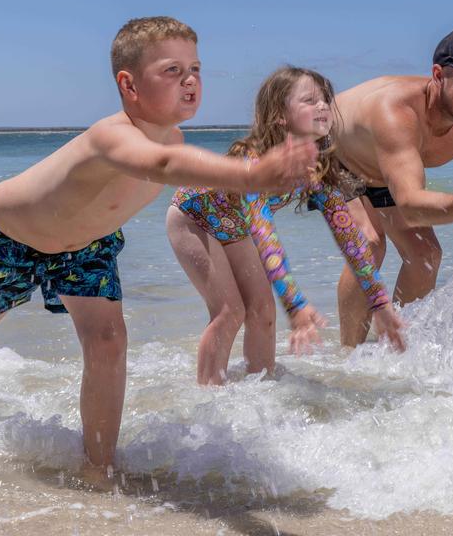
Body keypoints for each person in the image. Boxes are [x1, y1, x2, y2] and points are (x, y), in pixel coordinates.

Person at [0, 16, 317, 487]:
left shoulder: (179, 141)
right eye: (172, 70)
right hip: (9, 238)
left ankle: (98, 467)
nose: (190, 80)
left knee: (108, 340)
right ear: (129, 84)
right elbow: (160, 163)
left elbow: (182, 168)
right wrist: (249, 173)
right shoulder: (112, 135)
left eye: (196, 69)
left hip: (87, 247)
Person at [168, 66, 407, 384]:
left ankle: (262, 388)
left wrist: (379, 302)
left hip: (234, 228)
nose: (323, 105)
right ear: (280, 115)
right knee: (230, 311)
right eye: (310, 100)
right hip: (192, 219)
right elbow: (265, 236)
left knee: (264, 311)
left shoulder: (318, 166)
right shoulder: (256, 162)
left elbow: (348, 235)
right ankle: (209, 398)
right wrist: (296, 305)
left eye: (325, 99)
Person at [331, 27, 453, 347]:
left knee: (425, 254)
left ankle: (394, 351)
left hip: (381, 170)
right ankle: (349, 356)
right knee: (369, 244)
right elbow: (412, 205)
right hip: (331, 153)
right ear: (438, 75)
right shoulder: (397, 113)